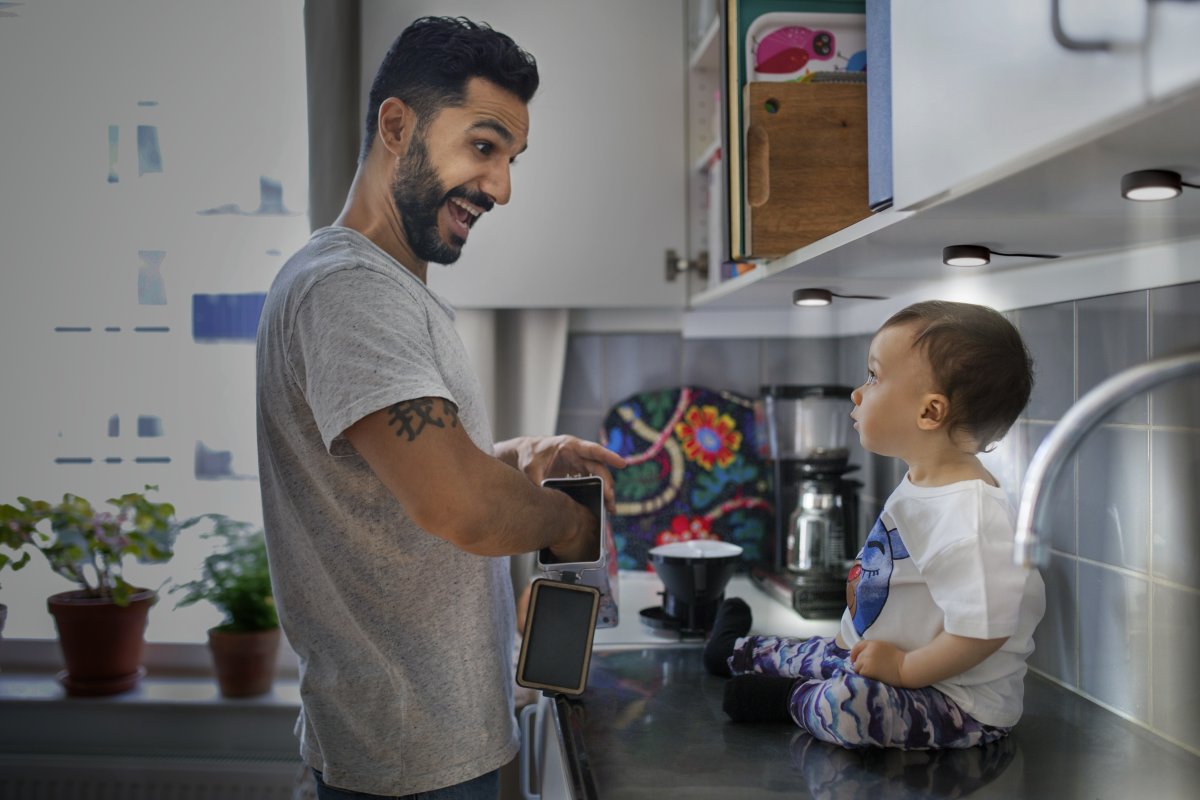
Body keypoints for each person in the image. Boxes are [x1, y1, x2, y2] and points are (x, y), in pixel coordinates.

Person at [255, 17, 625, 799]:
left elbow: (391, 487)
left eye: (511, 159)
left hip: (426, 744)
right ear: (398, 125)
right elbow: (460, 510)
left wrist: (514, 459)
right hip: (409, 761)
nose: (502, 187)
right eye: (484, 147)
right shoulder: (349, 291)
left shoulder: (385, 291)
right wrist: (568, 522)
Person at [703, 300, 1045, 750]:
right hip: (885, 660)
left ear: (930, 413)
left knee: (851, 707)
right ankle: (732, 650)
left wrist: (904, 669)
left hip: (954, 702)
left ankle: (790, 698)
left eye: (874, 377)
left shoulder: (971, 517)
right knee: (819, 650)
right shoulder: (922, 482)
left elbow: (981, 633)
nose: (857, 393)